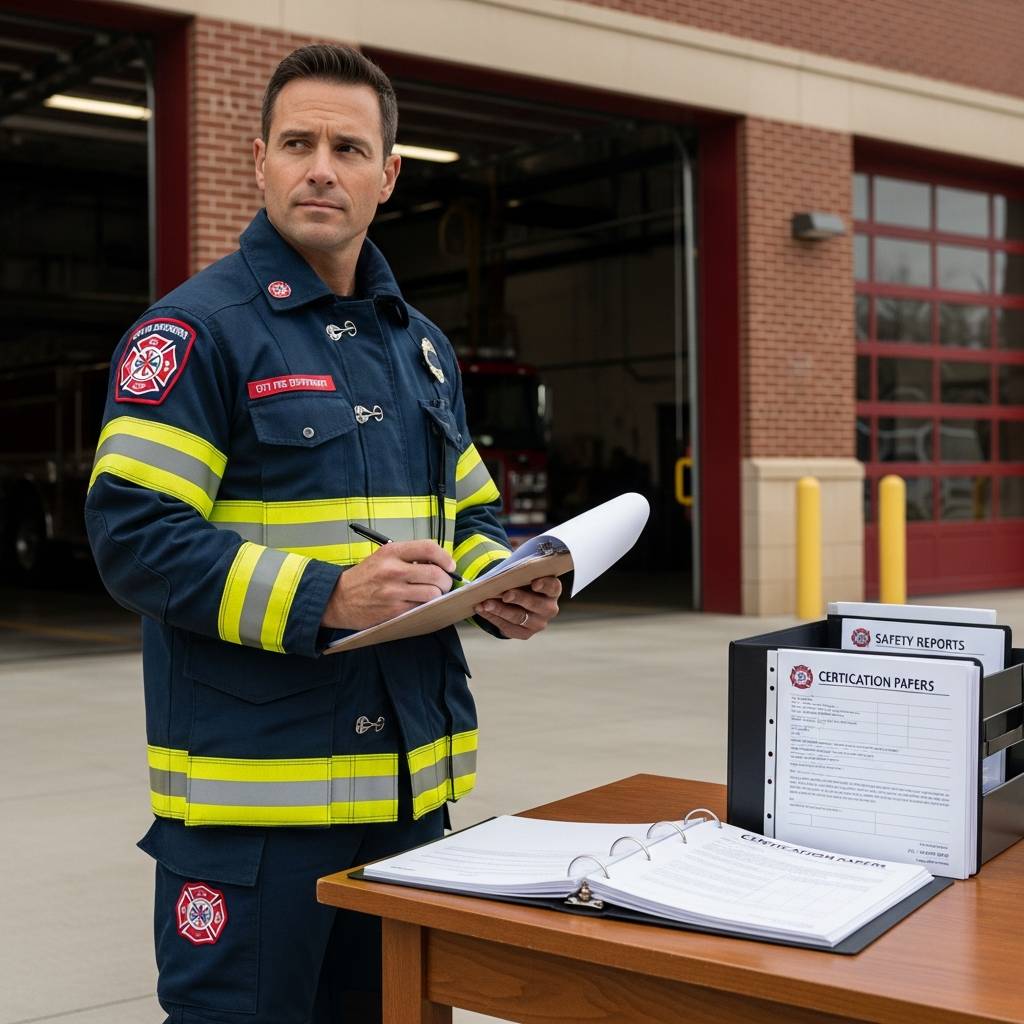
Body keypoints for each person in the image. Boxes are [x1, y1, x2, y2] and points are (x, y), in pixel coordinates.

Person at [86, 43, 560, 1024]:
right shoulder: (195, 334)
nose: (320, 168)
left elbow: (469, 511)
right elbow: (134, 533)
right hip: (254, 818)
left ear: (388, 175)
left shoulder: (422, 349)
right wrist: (328, 596)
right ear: (259, 160)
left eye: (348, 148)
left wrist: (501, 580)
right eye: (298, 143)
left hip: (407, 803)